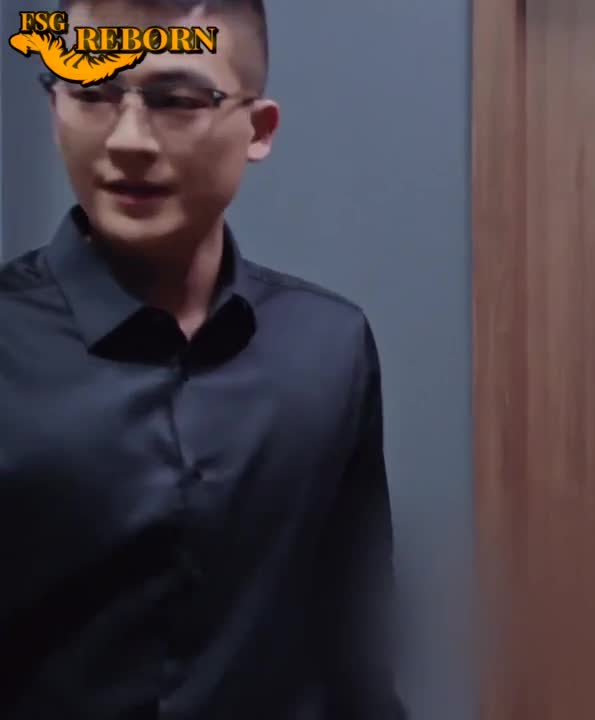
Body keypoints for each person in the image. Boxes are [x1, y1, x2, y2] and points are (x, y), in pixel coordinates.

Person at [0, 1, 406, 717]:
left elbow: (356, 652)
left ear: (259, 129)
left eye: (178, 100)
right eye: (92, 93)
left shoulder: (328, 347)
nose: (128, 139)